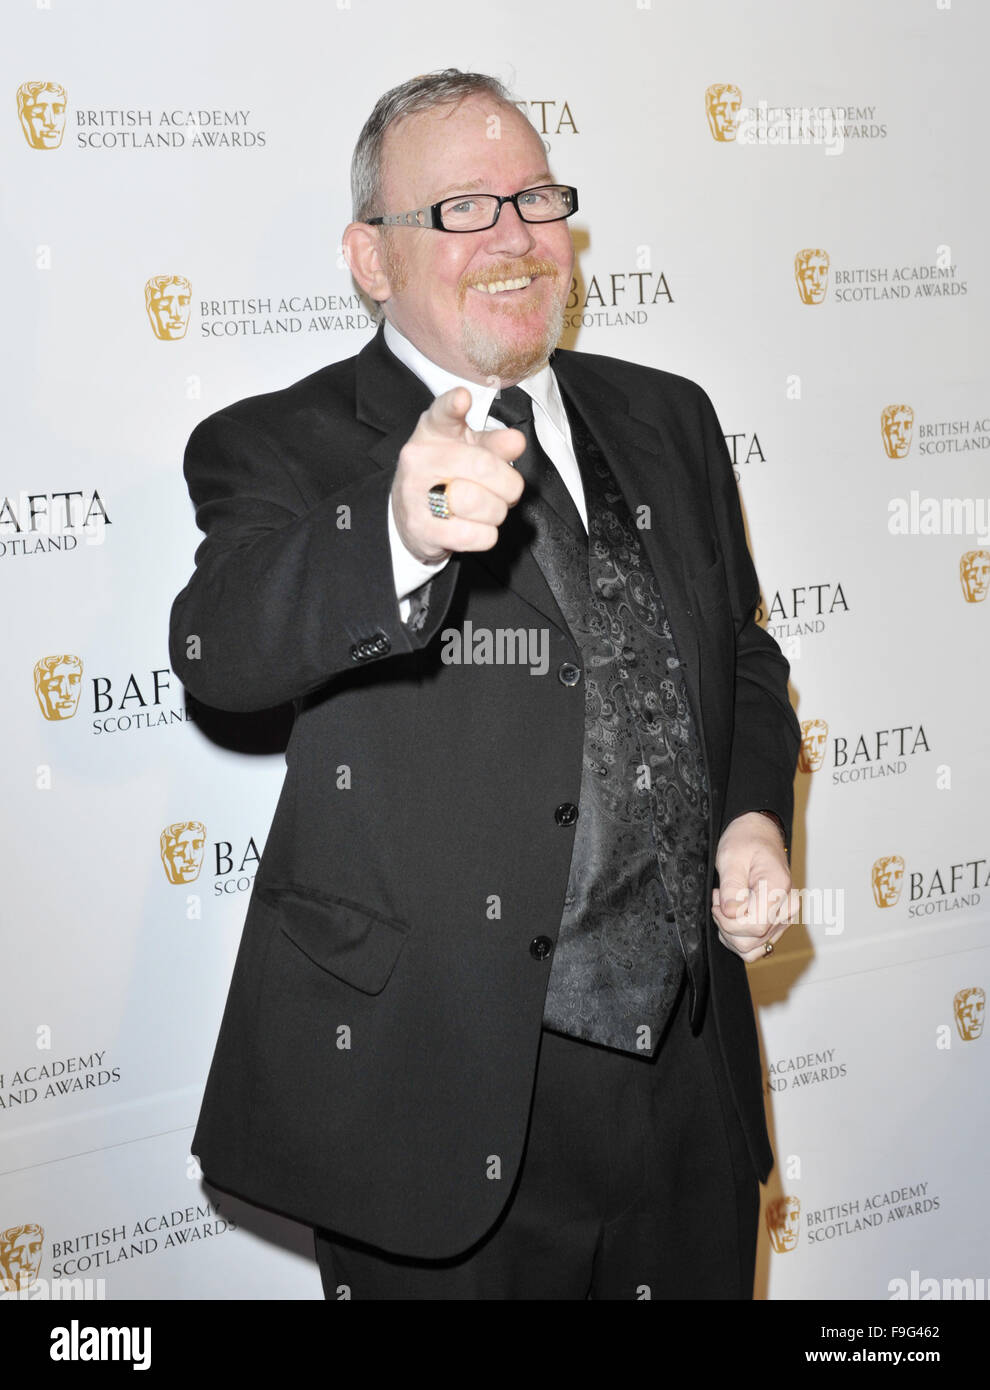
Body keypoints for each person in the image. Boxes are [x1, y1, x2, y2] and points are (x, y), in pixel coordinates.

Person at [169, 68, 801, 1300]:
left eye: (535, 198)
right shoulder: (278, 446)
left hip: (692, 1089)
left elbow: (741, 654)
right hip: (438, 1113)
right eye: (461, 209)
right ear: (370, 257)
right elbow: (221, 650)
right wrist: (396, 533)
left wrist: (751, 812)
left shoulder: (670, 414)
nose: (515, 238)